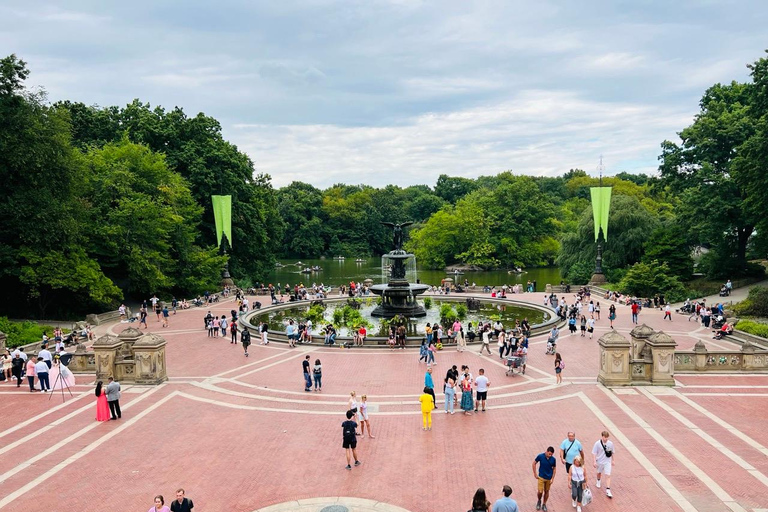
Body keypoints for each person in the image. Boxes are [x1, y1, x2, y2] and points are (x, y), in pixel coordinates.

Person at [532, 446, 557, 512]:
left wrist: (552, 478)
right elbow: (534, 463)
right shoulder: (540, 456)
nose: (550, 455)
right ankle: (539, 500)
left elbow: (554, 468)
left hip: (548, 478)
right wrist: (535, 474)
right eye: (549, 454)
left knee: (547, 491)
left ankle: (544, 504)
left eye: (551, 454)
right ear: (546, 451)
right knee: (540, 491)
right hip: (541, 477)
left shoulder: (553, 459)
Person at [592, 430, 615, 498]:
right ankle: (598, 480)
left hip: (607, 461)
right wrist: (594, 461)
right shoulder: (597, 443)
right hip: (599, 461)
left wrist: (613, 460)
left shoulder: (610, 443)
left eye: (607, 437)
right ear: (602, 436)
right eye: (605, 437)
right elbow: (594, 453)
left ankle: (608, 490)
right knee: (599, 472)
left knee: (608, 475)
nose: (606, 438)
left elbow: (612, 452)